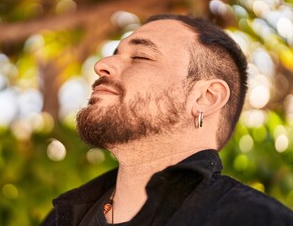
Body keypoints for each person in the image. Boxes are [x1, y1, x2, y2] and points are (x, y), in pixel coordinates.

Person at [42, 14, 293, 226]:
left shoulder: (255, 219)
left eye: (141, 56)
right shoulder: (62, 218)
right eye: (114, 53)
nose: (102, 64)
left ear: (206, 97)